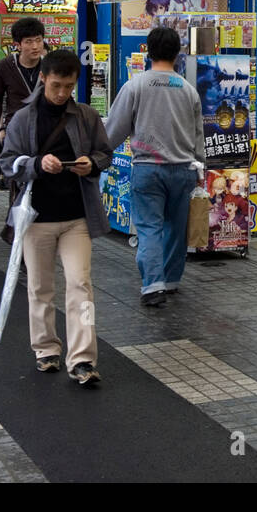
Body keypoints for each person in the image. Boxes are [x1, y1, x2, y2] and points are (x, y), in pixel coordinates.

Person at [0, 49, 113, 386]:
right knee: (40, 286)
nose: (62, 93)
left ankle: (83, 359)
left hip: (77, 216)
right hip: (37, 218)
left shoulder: (87, 116)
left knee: (80, 284)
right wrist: (36, 164)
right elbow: (9, 163)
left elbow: (104, 153)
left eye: (68, 86)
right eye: (56, 86)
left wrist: (90, 164)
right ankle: (45, 349)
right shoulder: (24, 118)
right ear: (43, 80)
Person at [104, 26, 204, 307]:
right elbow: (198, 136)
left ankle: (153, 285)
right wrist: (201, 168)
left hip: (148, 169)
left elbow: (114, 130)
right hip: (184, 168)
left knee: (149, 228)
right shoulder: (188, 90)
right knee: (176, 227)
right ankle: (171, 280)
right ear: (178, 53)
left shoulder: (135, 85)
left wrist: (100, 155)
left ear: (147, 51)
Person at [0, 17, 47, 206]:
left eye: (38, 40)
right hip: (15, 133)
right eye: (29, 42)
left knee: (42, 180)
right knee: (17, 182)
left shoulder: (49, 65)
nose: (35, 46)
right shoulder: (6, 66)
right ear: (18, 45)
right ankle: (16, 227)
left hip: (45, 130)